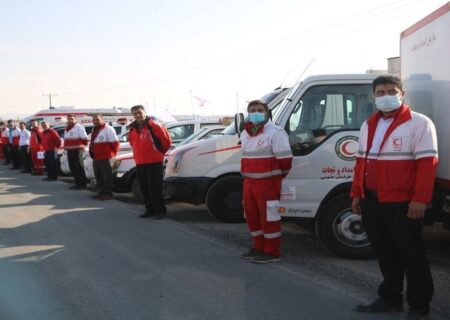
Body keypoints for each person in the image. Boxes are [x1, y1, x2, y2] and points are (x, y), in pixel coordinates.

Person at [350, 75, 438, 320]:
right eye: (380, 92)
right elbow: (361, 162)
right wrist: (357, 194)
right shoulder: (368, 125)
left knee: (412, 255)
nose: (385, 95)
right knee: (385, 253)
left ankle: (420, 306)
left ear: (401, 94)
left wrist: (420, 199)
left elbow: (427, 164)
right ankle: (390, 299)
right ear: (374, 96)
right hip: (372, 201)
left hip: (402, 203)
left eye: (391, 90)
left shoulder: (419, 123)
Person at [240, 100, 292, 264]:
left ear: (267, 112)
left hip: (268, 183)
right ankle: (258, 247)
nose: (256, 112)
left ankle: (271, 251)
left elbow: (285, 161)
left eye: (260, 110)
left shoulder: (275, 132)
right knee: (251, 216)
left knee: (269, 217)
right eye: (252, 110)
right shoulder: (245, 133)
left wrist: (274, 177)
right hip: (249, 182)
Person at [128, 105, 172, 219]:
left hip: (154, 162)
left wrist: (157, 153)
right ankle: (150, 210)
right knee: (144, 188)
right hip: (140, 162)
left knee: (155, 189)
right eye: (135, 113)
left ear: (145, 112)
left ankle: (160, 211)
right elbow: (132, 143)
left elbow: (166, 142)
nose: (137, 115)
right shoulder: (133, 129)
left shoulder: (154, 126)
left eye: (139, 112)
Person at [89, 114, 119, 200]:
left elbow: (115, 143)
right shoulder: (94, 129)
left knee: (107, 177)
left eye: (97, 120)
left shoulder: (108, 129)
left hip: (106, 157)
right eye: (94, 120)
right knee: (99, 177)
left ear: (102, 119)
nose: (95, 121)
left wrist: (112, 155)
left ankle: (108, 194)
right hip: (96, 157)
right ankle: (101, 192)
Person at [64, 114, 88, 189]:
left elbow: (85, 139)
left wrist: (82, 146)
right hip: (70, 150)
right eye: (69, 119)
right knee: (72, 167)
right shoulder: (67, 128)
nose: (70, 120)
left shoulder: (79, 127)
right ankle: (77, 183)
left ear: (75, 119)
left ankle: (82, 184)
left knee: (79, 167)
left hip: (77, 150)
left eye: (72, 119)